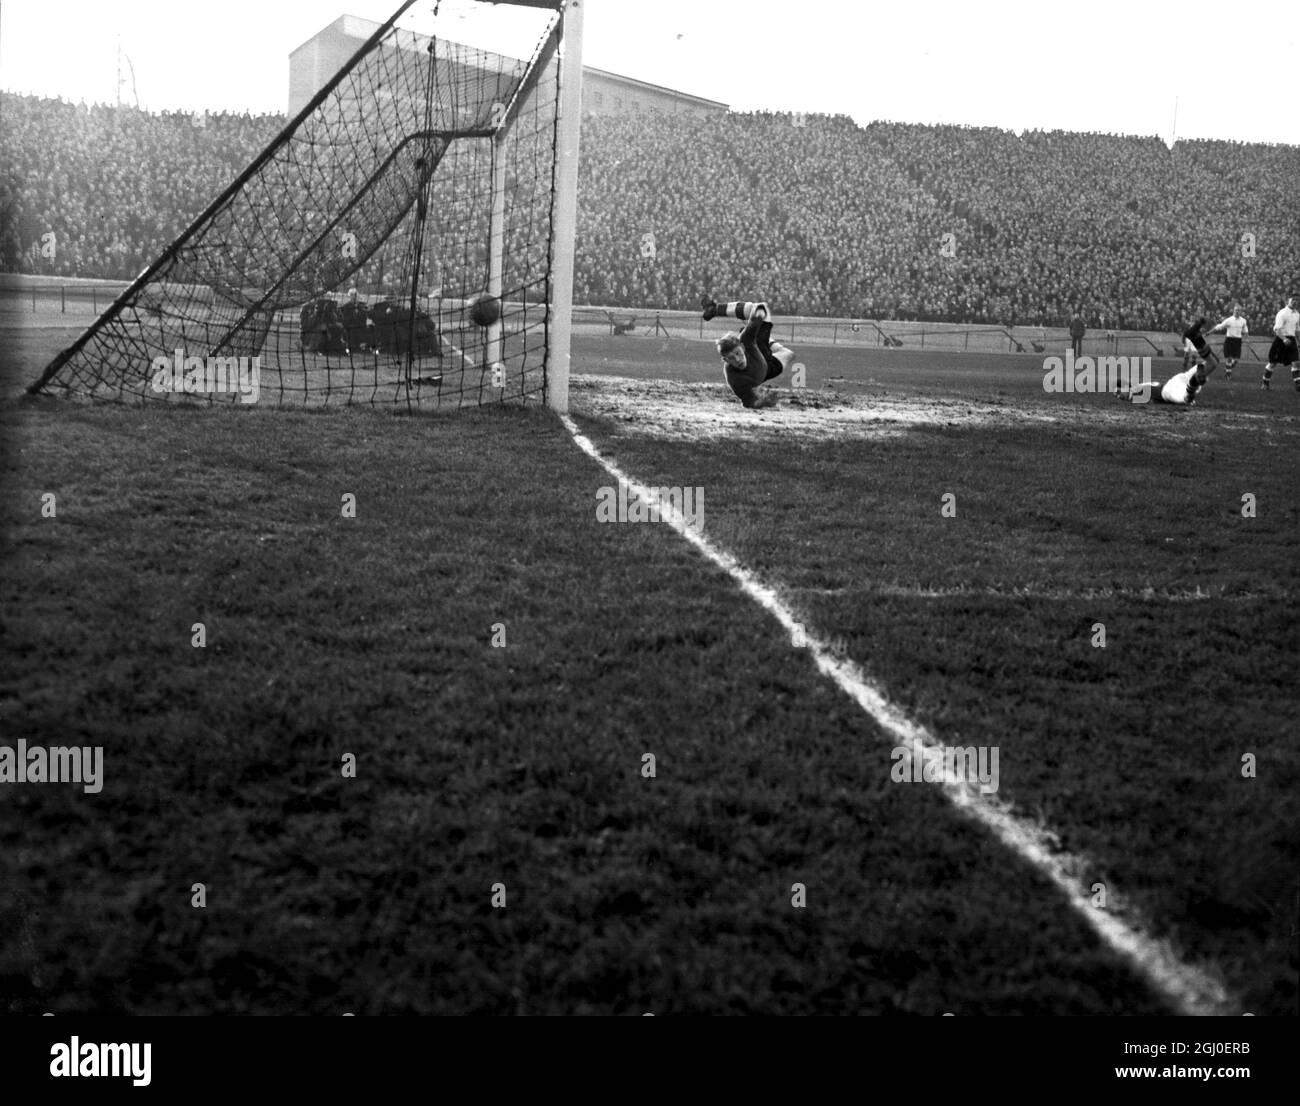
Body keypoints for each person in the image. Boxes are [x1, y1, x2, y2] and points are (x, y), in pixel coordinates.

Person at [701, 295, 796, 410]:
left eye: (737, 353)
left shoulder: (745, 340)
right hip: (767, 371)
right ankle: (716, 309)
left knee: (761, 307)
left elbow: (756, 319)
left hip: (758, 349)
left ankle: (715, 309)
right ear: (725, 360)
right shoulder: (734, 379)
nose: (738, 360)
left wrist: (759, 314)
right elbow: (750, 402)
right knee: (789, 353)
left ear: (742, 347)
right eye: (731, 358)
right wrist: (765, 402)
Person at [1114, 361, 1209, 407]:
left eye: (1119, 392)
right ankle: (1205, 363)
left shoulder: (1135, 392)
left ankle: (1202, 369)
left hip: (1167, 390)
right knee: (1188, 375)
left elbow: (1153, 401)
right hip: (1171, 384)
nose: (1119, 396)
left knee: (1184, 398)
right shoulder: (1137, 388)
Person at [1260, 294, 1299, 391]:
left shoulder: (1297, 314)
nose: (1295, 301)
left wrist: (1298, 341)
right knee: (1273, 363)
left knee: (1296, 363)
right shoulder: (1282, 313)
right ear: (1288, 301)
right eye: (1293, 299)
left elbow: (1297, 330)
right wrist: (1284, 339)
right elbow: (1277, 330)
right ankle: (1265, 383)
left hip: (1292, 340)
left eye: (1297, 300)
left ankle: (1298, 385)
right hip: (1281, 339)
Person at [1209, 305, 1248, 377]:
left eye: (1239, 310)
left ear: (1241, 312)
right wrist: (1209, 332)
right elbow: (1219, 327)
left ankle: (1227, 368)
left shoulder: (1243, 321)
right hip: (1229, 340)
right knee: (1229, 358)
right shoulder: (1229, 320)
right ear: (1233, 310)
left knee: (1236, 360)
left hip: (1238, 341)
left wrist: (1246, 339)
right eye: (1236, 310)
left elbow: (1245, 331)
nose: (1237, 311)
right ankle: (1228, 375)